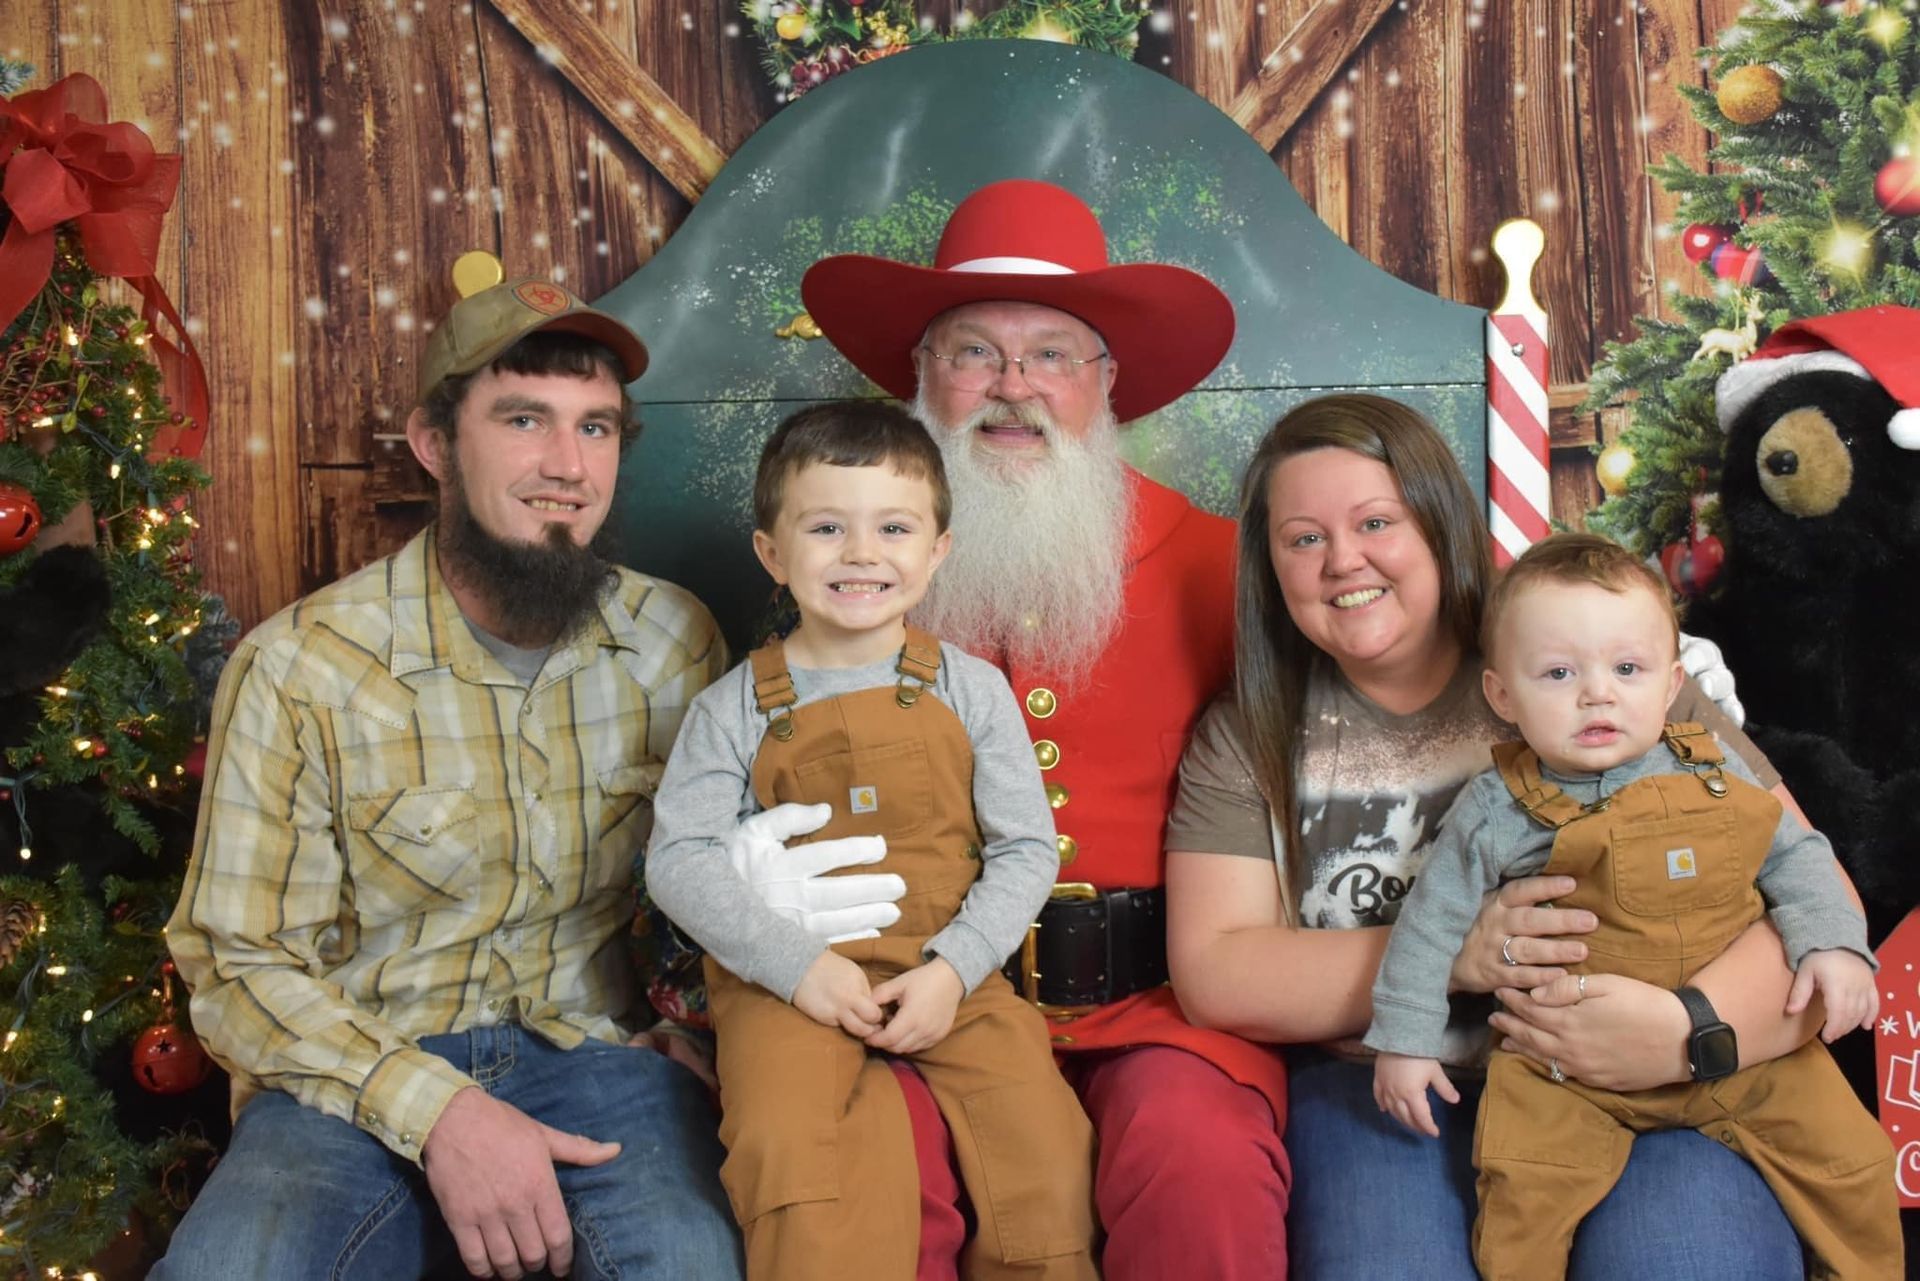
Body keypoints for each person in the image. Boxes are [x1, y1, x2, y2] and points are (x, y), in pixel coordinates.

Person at [1164, 393, 1868, 1278]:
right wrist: (1457, 954)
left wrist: (1684, 1027)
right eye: (1304, 538)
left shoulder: (1596, 664)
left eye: (1377, 520)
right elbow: (1216, 970)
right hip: (1389, 1081)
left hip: (1646, 1066)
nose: (1344, 559)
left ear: (1440, 522)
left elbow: (1810, 884)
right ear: (1270, 567)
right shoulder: (1250, 731)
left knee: (1687, 1257)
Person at [159, 277, 743, 1281]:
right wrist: (443, 1115)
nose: (568, 465)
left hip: (604, 1067)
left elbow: (724, 877)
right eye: (525, 420)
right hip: (351, 1081)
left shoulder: (672, 641)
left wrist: (701, 1026)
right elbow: (240, 965)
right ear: (435, 443)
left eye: (596, 429)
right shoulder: (305, 664)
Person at [772, 179, 1288, 1280]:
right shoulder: (856, 571)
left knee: (1198, 1167)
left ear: (1107, 387)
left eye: (1053, 355)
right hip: (912, 1003)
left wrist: (1668, 680)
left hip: (1160, 1011)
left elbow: (1432, 639)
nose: (1015, 389)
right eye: (973, 354)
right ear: (921, 382)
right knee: (876, 1185)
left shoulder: (1222, 561)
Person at [645, 401, 1097, 1280]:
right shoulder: (730, 708)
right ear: (772, 553)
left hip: (947, 975)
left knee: (1042, 1152)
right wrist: (794, 964)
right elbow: (679, 860)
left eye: (893, 527)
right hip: (790, 983)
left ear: (938, 550)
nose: (861, 554)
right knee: (794, 1157)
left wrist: (957, 967)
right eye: (825, 527)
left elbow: (1026, 850)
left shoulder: (972, 690)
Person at [1365, 532, 1897, 1279]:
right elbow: (1429, 926)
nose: (1598, 692)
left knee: (1854, 1166)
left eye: (1627, 668)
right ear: (1502, 694)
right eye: (1558, 672)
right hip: (1562, 1068)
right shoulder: (1496, 809)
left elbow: (1798, 855)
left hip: (1742, 1057)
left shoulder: (1712, 767)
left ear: (1671, 679)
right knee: (1521, 1194)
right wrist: (1406, 1040)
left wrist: (1834, 945)